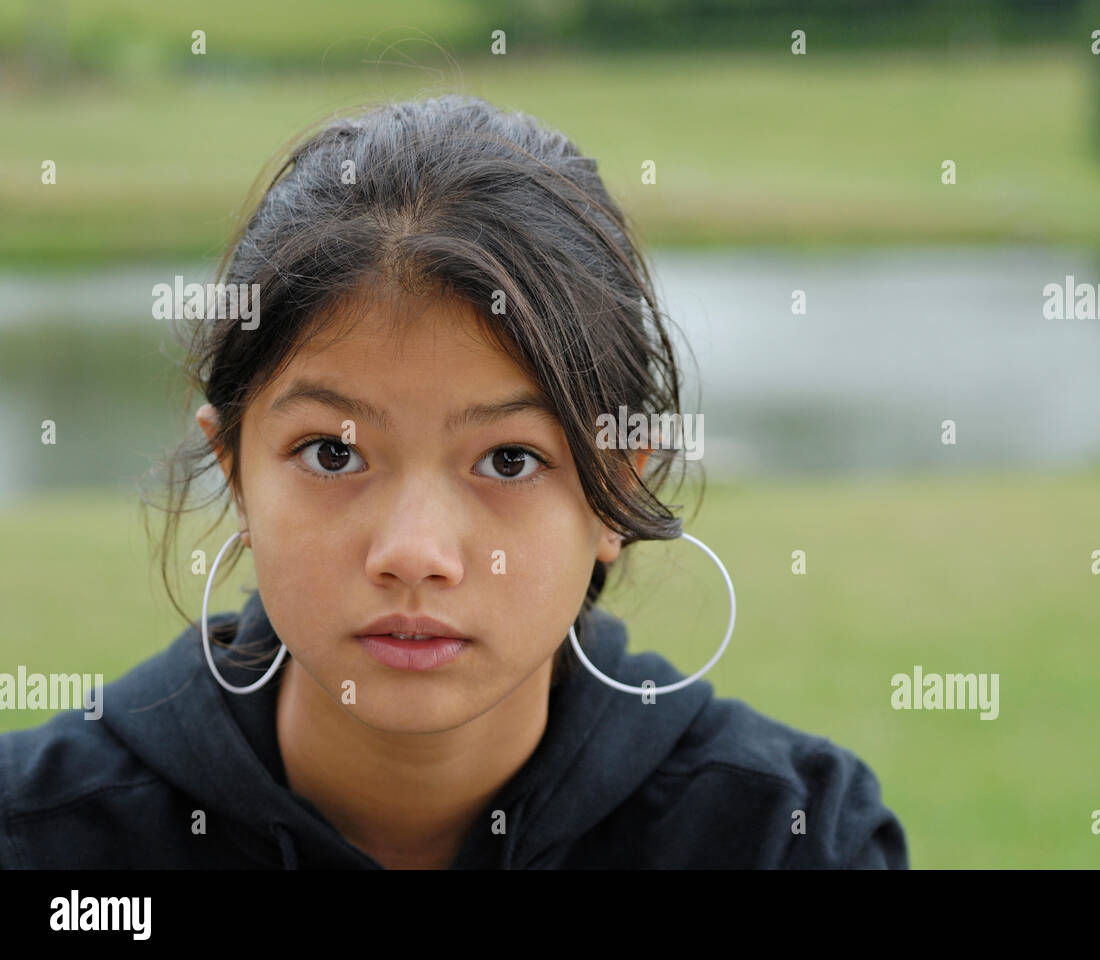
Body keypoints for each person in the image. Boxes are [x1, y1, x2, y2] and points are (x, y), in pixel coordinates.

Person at [0, 95, 907, 869]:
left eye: (509, 460)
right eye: (332, 453)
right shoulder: (39, 834)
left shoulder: (785, 840)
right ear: (235, 470)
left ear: (615, 491)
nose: (413, 556)